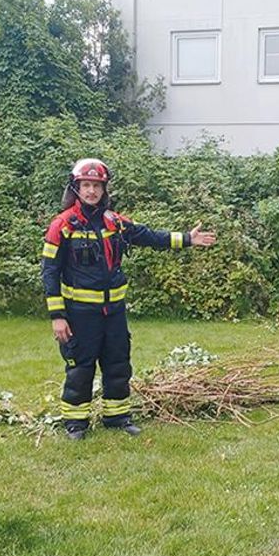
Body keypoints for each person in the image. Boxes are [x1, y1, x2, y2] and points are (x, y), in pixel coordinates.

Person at [41, 158, 216, 440]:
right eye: (86, 185)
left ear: (104, 189)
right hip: (79, 313)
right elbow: (49, 272)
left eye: (97, 186)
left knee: (118, 363)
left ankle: (118, 417)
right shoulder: (62, 225)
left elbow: (148, 236)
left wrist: (186, 239)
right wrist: (57, 316)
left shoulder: (115, 222)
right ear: (76, 188)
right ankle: (75, 424)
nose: (91, 192)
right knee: (80, 368)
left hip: (114, 312)